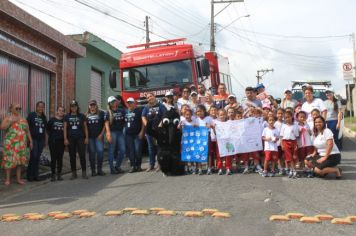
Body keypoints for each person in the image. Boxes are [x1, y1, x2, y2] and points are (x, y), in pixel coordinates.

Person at [1, 104, 32, 186]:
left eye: (19, 108)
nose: (18, 110)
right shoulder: (8, 118)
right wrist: (11, 121)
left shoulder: (23, 119)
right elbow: (2, 127)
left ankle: (18, 179)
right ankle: (8, 179)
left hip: (21, 144)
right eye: (16, 108)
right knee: (9, 161)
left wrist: (31, 141)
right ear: (11, 109)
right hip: (10, 144)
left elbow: (27, 131)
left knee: (20, 162)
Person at [64, 100, 89, 180]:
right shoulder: (67, 116)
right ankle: (73, 173)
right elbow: (64, 128)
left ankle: (84, 172)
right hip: (71, 138)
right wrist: (65, 139)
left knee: (82, 155)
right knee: (72, 156)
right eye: (72, 106)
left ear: (77, 107)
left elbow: (85, 127)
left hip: (80, 138)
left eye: (74, 106)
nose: (73, 108)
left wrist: (87, 137)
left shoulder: (82, 116)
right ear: (70, 107)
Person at [142, 92, 167, 171]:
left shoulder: (161, 106)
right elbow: (143, 116)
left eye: (151, 96)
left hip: (158, 130)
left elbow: (165, 115)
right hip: (149, 131)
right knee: (151, 147)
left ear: (154, 96)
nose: (150, 98)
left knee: (159, 147)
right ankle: (151, 165)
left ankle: (160, 164)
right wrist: (147, 125)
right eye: (148, 97)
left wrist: (160, 124)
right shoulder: (146, 107)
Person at [27, 101, 47, 182]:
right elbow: (27, 127)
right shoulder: (31, 115)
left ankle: (36, 175)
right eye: (39, 106)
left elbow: (45, 129)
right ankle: (30, 175)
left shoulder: (44, 117)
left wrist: (46, 140)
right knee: (33, 156)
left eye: (42, 107)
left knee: (38, 157)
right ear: (36, 107)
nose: (41, 108)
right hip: (33, 139)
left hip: (41, 140)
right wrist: (29, 140)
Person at [86, 100, 108, 176]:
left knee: (100, 152)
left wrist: (102, 134)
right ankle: (93, 171)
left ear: (96, 105)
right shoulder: (86, 115)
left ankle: (99, 170)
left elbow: (105, 124)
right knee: (92, 154)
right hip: (90, 138)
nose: (92, 106)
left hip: (99, 137)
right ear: (89, 106)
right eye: (91, 105)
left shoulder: (101, 113)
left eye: (94, 105)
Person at [106, 96, 126, 174]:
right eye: (112, 102)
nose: (114, 103)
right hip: (112, 133)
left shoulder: (121, 110)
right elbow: (106, 123)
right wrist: (108, 133)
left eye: (114, 101)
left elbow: (125, 120)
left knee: (123, 150)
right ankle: (112, 169)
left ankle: (117, 166)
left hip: (120, 132)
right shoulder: (108, 112)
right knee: (111, 150)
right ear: (109, 104)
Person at [125, 97, 144, 173]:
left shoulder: (139, 111)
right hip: (128, 134)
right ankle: (133, 166)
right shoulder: (125, 112)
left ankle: (138, 165)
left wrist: (142, 131)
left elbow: (143, 122)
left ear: (134, 103)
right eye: (128, 103)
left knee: (138, 150)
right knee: (131, 151)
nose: (129, 104)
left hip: (137, 134)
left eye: (131, 103)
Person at [195, 105, 214, 175]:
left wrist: (210, 126)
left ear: (204, 111)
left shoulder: (209, 118)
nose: (199, 113)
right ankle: (200, 169)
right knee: (199, 153)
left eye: (200, 111)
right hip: (199, 138)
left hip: (207, 136)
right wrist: (194, 127)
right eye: (197, 112)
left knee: (208, 153)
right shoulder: (196, 119)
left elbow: (214, 126)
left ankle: (209, 168)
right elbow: (194, 129)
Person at [47, 106, 65, 181]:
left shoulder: (65, 121)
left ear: (64, 112)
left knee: (60, 158)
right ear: (57, 111)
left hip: (61, 142)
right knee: (53, 158)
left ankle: (59, 174)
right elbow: (47, 130)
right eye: (59, 110)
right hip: (53, 142)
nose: (61, 112)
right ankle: (53, 174)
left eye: (62, 111)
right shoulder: (52, 120)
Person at [280, 110, 299, 178]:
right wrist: (282, 144)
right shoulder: (283, 126)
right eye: (285, 117)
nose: (287, 119)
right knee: (289, 157)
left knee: (294, 156)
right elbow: (281, 136)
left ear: (292, 117)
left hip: (293, 142)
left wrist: (296, 145)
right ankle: (293, 170)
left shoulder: (295, 126)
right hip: (285, 142)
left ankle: (292, 169)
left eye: (288, 117)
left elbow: (296, 136)